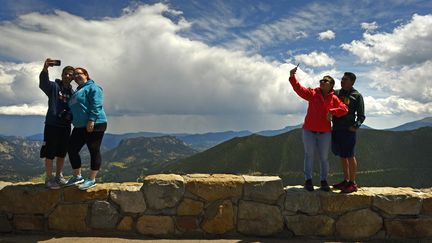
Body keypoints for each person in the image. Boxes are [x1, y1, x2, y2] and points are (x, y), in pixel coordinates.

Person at [289, 65, 348, 191]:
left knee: (324, 158)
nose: (322, 82)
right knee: (309, 155)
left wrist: (332, 111)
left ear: (331, 85)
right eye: (321, 80)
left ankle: (323, 181)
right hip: (309, 131)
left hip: (325, 133)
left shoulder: (334, 98)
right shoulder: (313, 94)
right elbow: (299, 89)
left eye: (325, 81)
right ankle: (308, 180)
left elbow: (344, 109)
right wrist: (292, 76)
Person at [64, 67, 107, 190]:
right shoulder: (78, 91)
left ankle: (92, 179)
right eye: (74, 75)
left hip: (96, 123)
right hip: (79, 126)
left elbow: (97, 104)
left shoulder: (94, 87)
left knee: (93, 149)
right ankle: (77, 176)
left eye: (79, 74)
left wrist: (92, 119)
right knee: (72, 149)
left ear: (86, 75)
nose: (76, 76)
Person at [39, 58, 74, 189]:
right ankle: (49, 178)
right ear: (62, 74)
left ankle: (59, 176)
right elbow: (43, 84)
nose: (68, 76)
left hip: (65, 126)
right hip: (52, 124)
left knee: (61, 153)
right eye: (66, 73)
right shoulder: (54, 87)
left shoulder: (72, 93)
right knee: (49, 152)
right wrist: (45, 68)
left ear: (72, 78)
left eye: (71, 75)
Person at [331, 72, 365, 193]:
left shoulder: (357, 95)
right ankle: (345, 181)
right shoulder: (336, 93)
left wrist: (355, 126)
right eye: (342, 79)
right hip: (336, 129)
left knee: (349, 155)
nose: (342, 81)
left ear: (352, 82)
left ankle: (352, 183)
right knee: (342, 155)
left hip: (348, 130)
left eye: (345, 79)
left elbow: (361, 116)